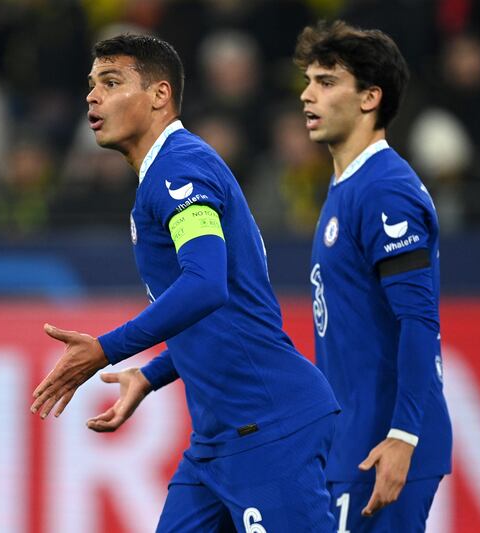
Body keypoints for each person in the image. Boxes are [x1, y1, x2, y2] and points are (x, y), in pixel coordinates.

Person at [29, 34, 340, 532]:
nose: (93, 96)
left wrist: (107, 349)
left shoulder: (179, 171)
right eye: (91, 85)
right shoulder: (170, 172)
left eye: (111, 82)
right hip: (218, 440)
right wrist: (150, 375)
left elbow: (205, 284)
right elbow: (221, 310)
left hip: (268, 427)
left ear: (160, 95)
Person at [293, 21, 453, 532]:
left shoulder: (385, 190)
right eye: (309, 81)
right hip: (354, 442)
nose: (307, 94)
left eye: (326, 82)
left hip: (385, 443)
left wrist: (404, 436)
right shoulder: (344, 187)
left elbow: (418, 321)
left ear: (370, 98)